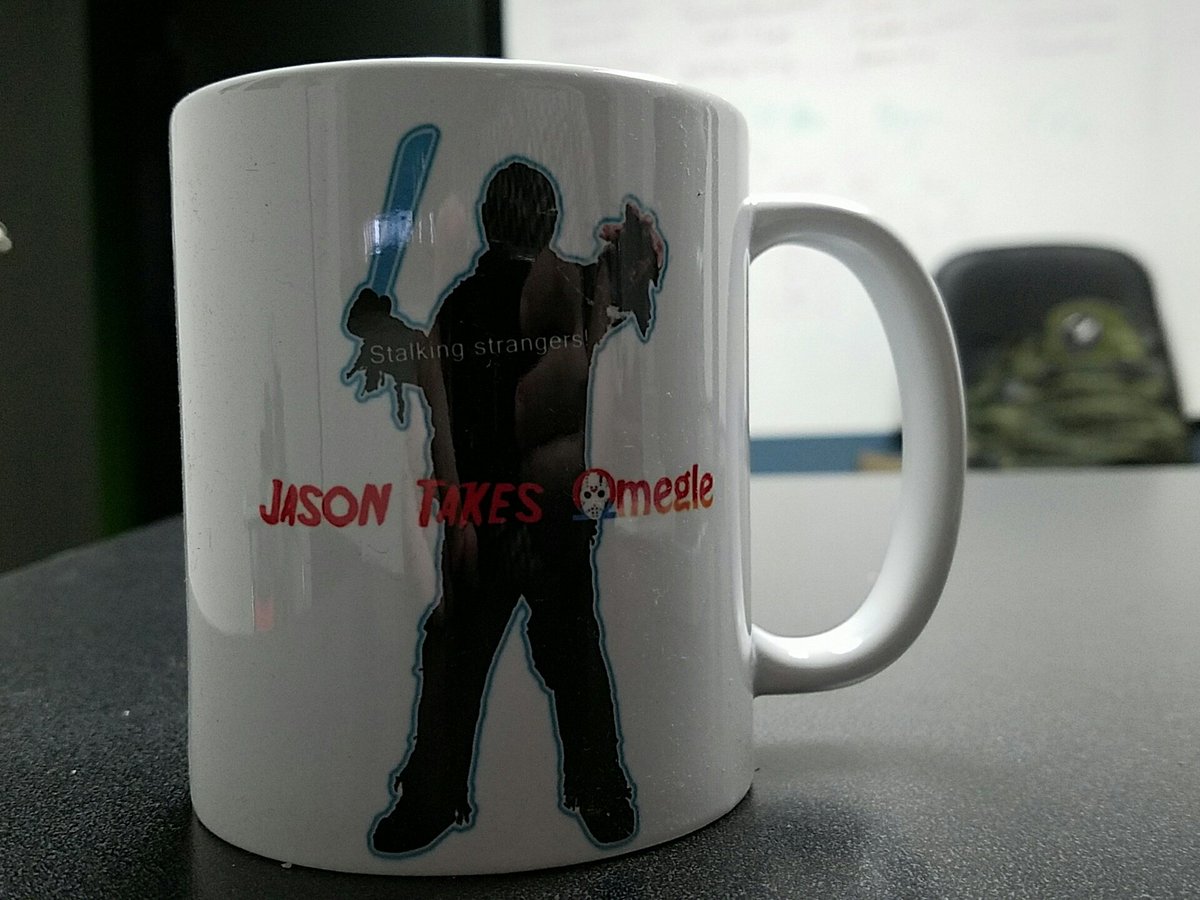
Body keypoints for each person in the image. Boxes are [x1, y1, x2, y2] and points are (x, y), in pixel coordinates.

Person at [343, 160, 665, 854]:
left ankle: (443, 799)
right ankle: (597, 792)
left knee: (474, 658)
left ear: (489, 219)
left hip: (496, 518)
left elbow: (433, 390)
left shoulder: (471, 304)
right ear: (547, 220)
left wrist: (376, 325)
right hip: (540, 517)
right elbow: (435, 381)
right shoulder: (574, 289)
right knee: (564, 655)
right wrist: (638, 251)